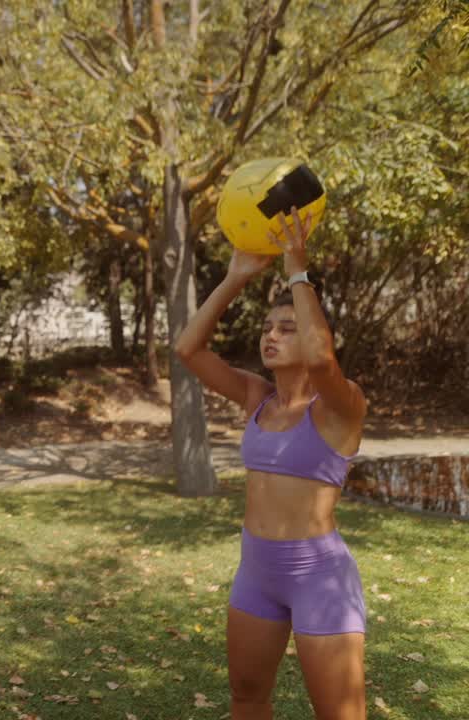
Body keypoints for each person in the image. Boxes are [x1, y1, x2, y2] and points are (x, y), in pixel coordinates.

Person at [174, 209, 368, 720]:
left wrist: (296, 269)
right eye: (267, 328)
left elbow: (324, 363)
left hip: (318, 575)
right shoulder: (257, 397)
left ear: (314, 334)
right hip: (256, 569)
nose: (271, 336)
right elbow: (187, 348)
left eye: (287, 328)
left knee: (339, 714)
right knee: (246, 694)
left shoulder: (340, 407)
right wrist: (236, 277)